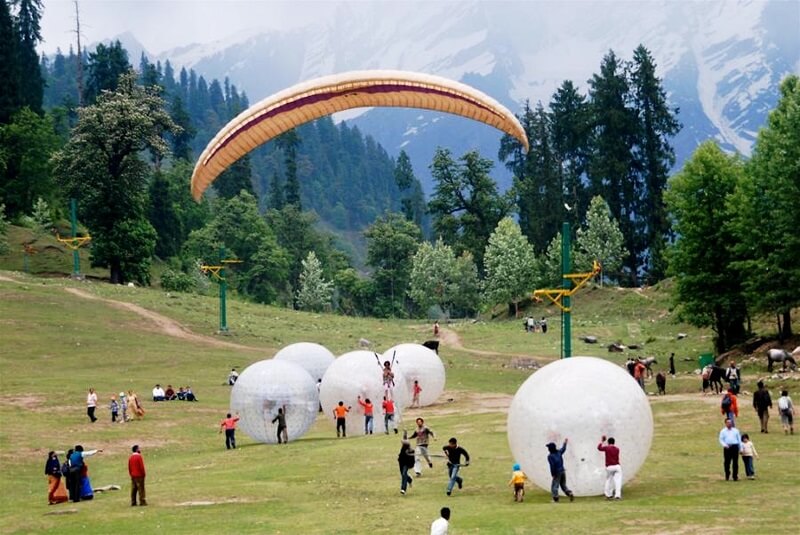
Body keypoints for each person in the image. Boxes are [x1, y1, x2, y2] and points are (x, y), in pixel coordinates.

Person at [597, 435, 622, 500]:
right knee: (618, 482)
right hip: (617, 466)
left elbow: (599, 448)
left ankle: (608, 495)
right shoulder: (617, 449)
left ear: (608, 442)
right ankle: (617, 495)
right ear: (614, 442)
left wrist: (602, 441)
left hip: (609, 467)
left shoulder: (607, 448)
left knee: (608, 481)